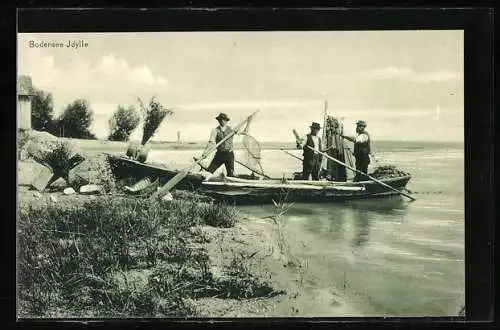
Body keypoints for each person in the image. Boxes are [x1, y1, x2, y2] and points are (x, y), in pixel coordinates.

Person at [198, 113, 236, 177]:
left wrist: (249, 122)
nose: (222, 121)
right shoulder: (215, 130)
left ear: (226, 121)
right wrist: (205, 153)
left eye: (224, 120)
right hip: (220, 154)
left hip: (229, 155)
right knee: (210, 171)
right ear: (218, 121)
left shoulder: (231, 130)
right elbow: (211, 142)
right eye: (221, 120)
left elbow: (244, 132)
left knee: (231, 174)